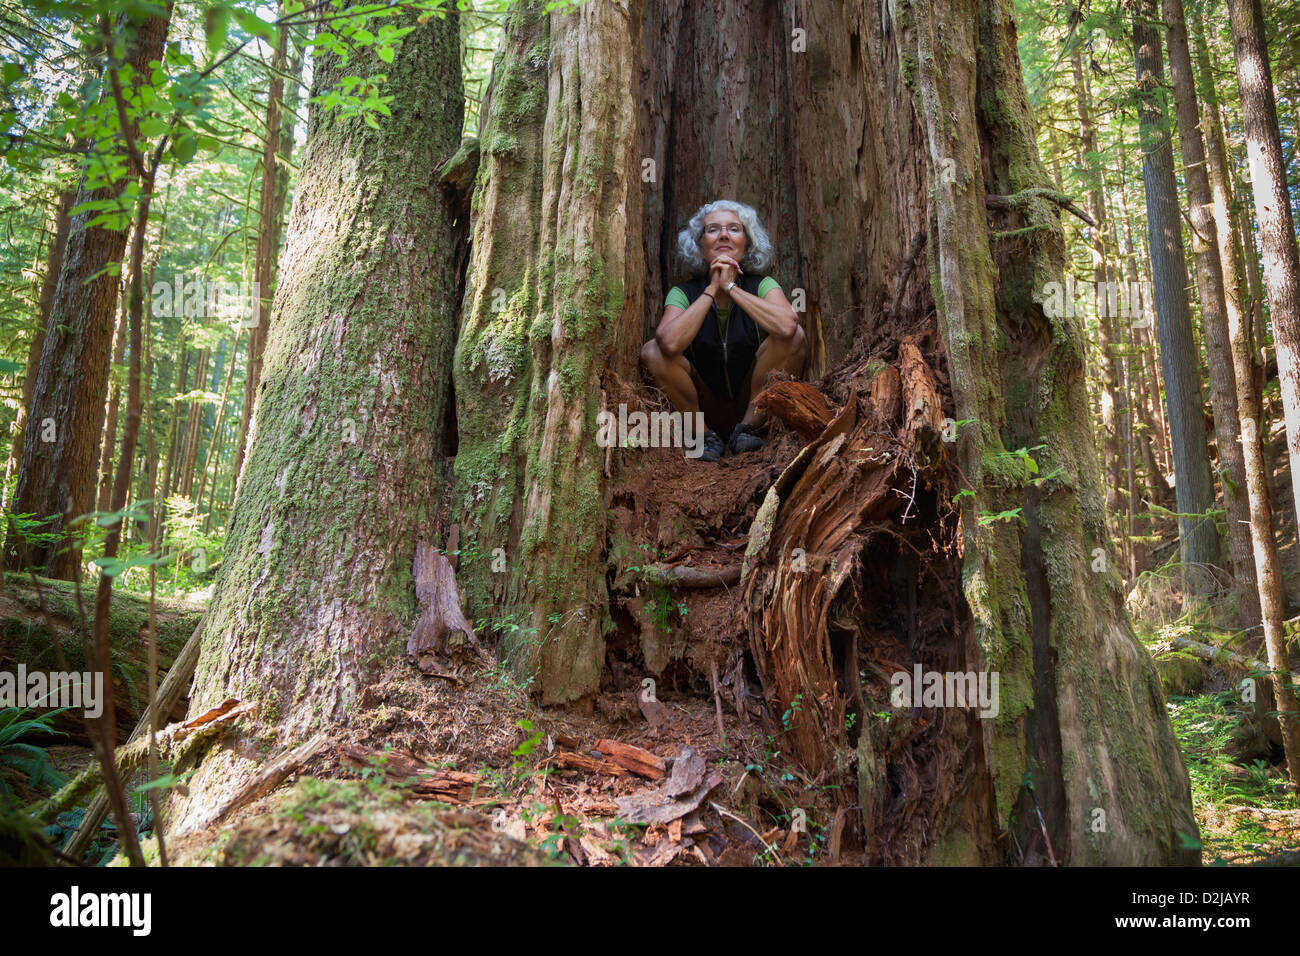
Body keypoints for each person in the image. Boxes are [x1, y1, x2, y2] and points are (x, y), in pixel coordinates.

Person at [641, 200, 807, 461]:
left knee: (794, 338)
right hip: (702, 407)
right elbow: (667, 344)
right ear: (700, 245)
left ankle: (748, 430)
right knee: (652, 351)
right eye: (713, 229)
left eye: (734, 229)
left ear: (747, 242)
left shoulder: (762, 285)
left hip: (752, 403)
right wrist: (712, 289)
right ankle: (704, 437)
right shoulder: (683, 293)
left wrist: (731, 288)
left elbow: (787, 326)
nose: (724, 235)